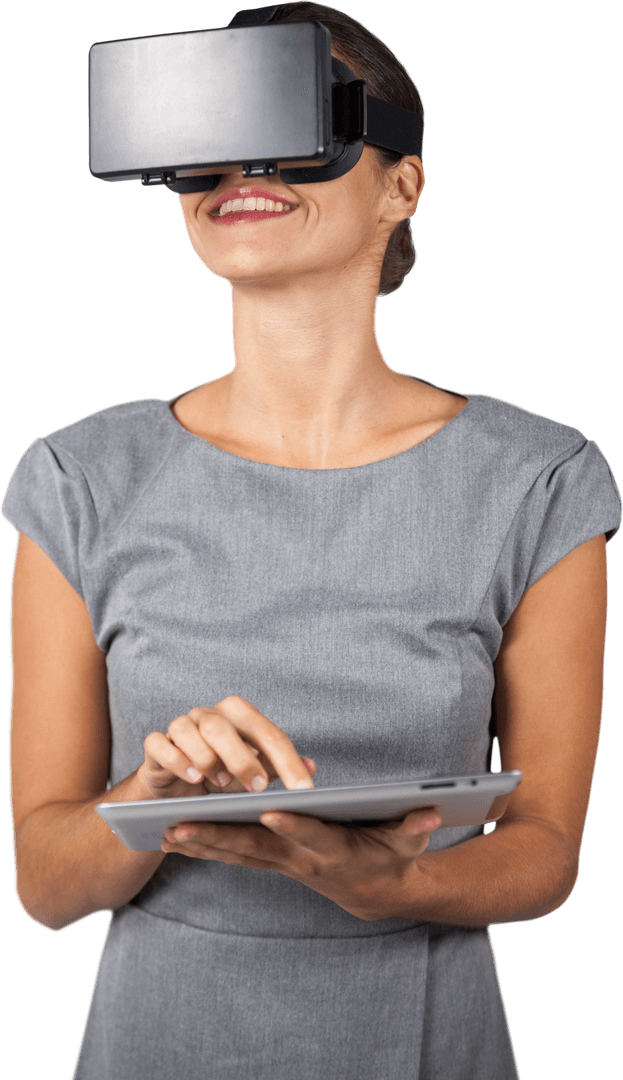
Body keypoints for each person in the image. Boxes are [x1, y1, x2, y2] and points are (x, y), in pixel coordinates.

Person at [2, 3, 621, 1078]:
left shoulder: (541, 479)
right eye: (212, 134)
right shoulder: (77, 479)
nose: (245, 166)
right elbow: (45, 889)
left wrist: (399, 887)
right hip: (160, 1041)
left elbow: (544, 857)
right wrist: (143, 803)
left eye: (295, 123)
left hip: (425, 1036)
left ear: (400, 184)